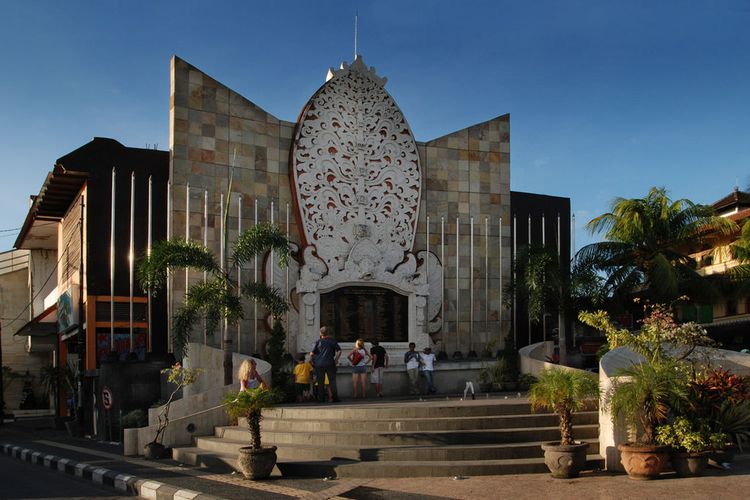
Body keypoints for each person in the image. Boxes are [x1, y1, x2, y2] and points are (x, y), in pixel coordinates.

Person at [310, 326, 341, 403]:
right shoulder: (332, 341)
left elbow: (311, 354)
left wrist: (312, 362)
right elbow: (339, 351)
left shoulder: (317, 342)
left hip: (319, 364)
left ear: (320, 333)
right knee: (332, 381)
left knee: (321, 382)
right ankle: (335, 398)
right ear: (328, 333)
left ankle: (321, 399)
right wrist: (336, 360)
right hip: (330, 363)